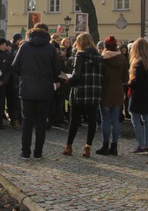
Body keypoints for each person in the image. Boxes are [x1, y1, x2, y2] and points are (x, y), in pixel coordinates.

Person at [12, 23, 62, 160]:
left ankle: (25, 152)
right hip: (44, 89)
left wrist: (25, 75)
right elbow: (57, 69)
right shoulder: (50, 48)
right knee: (41, 122)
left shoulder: (25, 47)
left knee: (27, 122)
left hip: (27, 88)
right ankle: (38, 152)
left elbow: (15, 66)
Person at [62, 32, 102, 158]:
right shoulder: (99, 57)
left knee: (74, 120)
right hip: (94, 92)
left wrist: (69, 80)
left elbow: (77, 75)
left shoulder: (80, 55)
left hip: (80, 91)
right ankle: (87, 147)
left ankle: (69, 146)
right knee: (91, 121)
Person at [96, 36, 126, 156]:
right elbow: (126, 78)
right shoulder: (123, 59)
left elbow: (99, 76)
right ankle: (114, 146)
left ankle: (105, 145)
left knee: (105, 120)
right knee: (115, 119)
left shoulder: (102, 59)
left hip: (105, 91)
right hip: (118, 91)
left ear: (106, 46)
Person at [129, 38, 148, 154]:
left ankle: (141, 145)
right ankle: (147, 144)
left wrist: (128, 84)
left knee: (135, 120)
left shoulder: (138, 63)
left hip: (138, 96)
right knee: (147, 120)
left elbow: (136, 83)